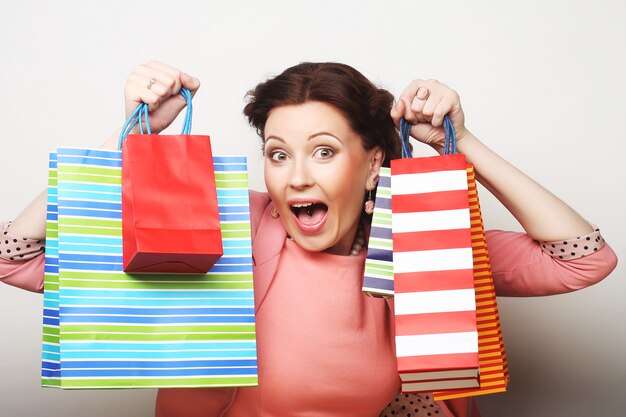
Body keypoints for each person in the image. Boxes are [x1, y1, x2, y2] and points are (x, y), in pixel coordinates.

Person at [0, 61, 618, 417]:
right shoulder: (231, 231)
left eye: (323, 152)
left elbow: (583, 260)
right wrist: (131, 140)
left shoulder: (427, 239)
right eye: (277, 153)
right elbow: (15, 258)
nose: (295, 176)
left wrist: (464, 143)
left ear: (374, 161)